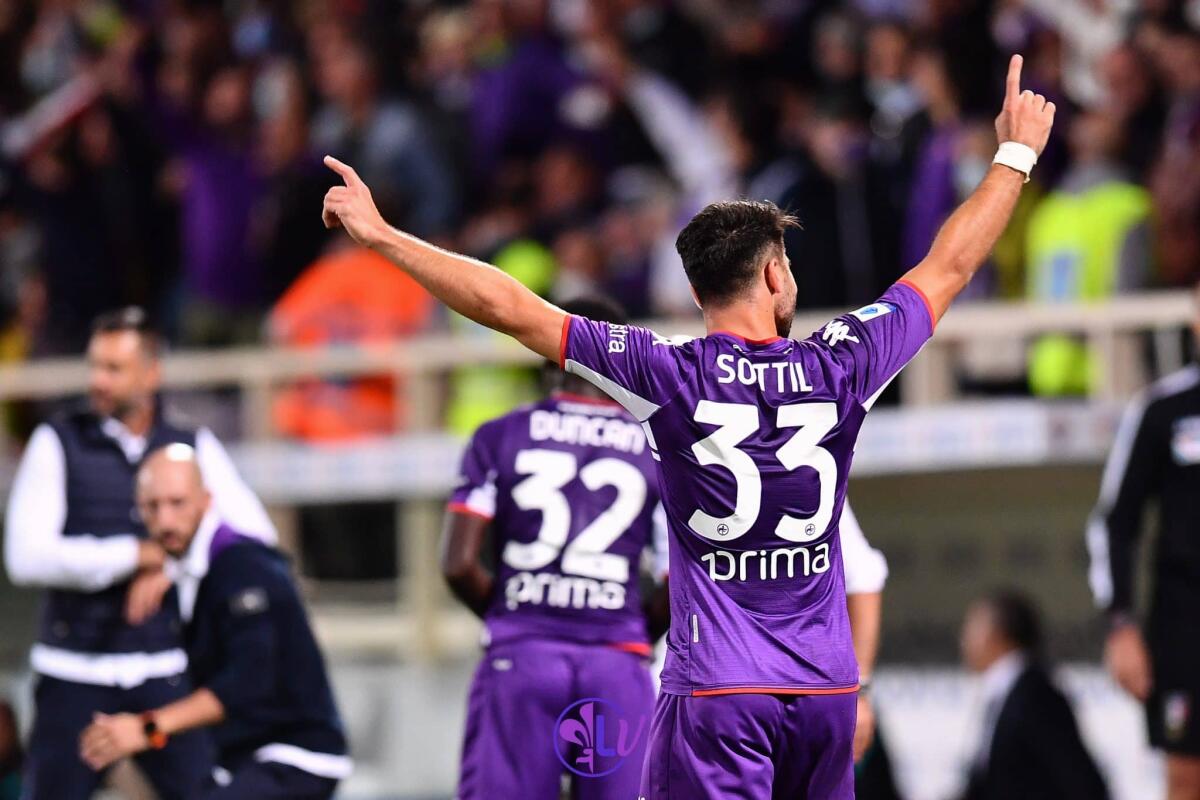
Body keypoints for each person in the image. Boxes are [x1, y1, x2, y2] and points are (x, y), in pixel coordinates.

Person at [320, 53, 1054, 798]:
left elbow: (511, 309)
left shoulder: (667, 373)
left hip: (718, 693)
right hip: (825, 694)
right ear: (773, 276)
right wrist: (1014, 155)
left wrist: (384, 237)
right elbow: (949, 266)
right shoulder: (844, 363)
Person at [2, 307, 276, 799]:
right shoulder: (59, 441)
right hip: (74, 672)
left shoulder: (190, 444)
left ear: (151, 373)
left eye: (114, 368)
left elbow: (256, 539)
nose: (98, 381)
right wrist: (134, 555)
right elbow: (26, 556)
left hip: (164, 669)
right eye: (94, 366)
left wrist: (173, 565)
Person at [442, 296, 667, 799]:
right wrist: (627, 629)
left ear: (548, 358)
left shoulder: (499, 435)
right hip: (618, 662)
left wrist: (518, 616)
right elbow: (680, 583)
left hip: (521, 657)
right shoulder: (656, 449)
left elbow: (457, 564)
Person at [79, 444, 350, 798]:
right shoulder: (187, 574)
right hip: (239, 761)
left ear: (206, 501)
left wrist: (147, 728)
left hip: (296, 757)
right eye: (152, 506)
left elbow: (248, 681)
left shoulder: (242, 565)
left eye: (177, 503)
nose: (164, 521)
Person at [1088, 284, 1200, 800]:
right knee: (1186, 775)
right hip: (1185, 630)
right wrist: (1122, 625)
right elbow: (1115, 522)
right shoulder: (1162, 410)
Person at [958, 590, 1108, 800]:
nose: (965, 640)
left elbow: (1081, 783)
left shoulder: (1036, 697)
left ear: (999, 633)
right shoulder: (1005, 695)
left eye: (973, 627)